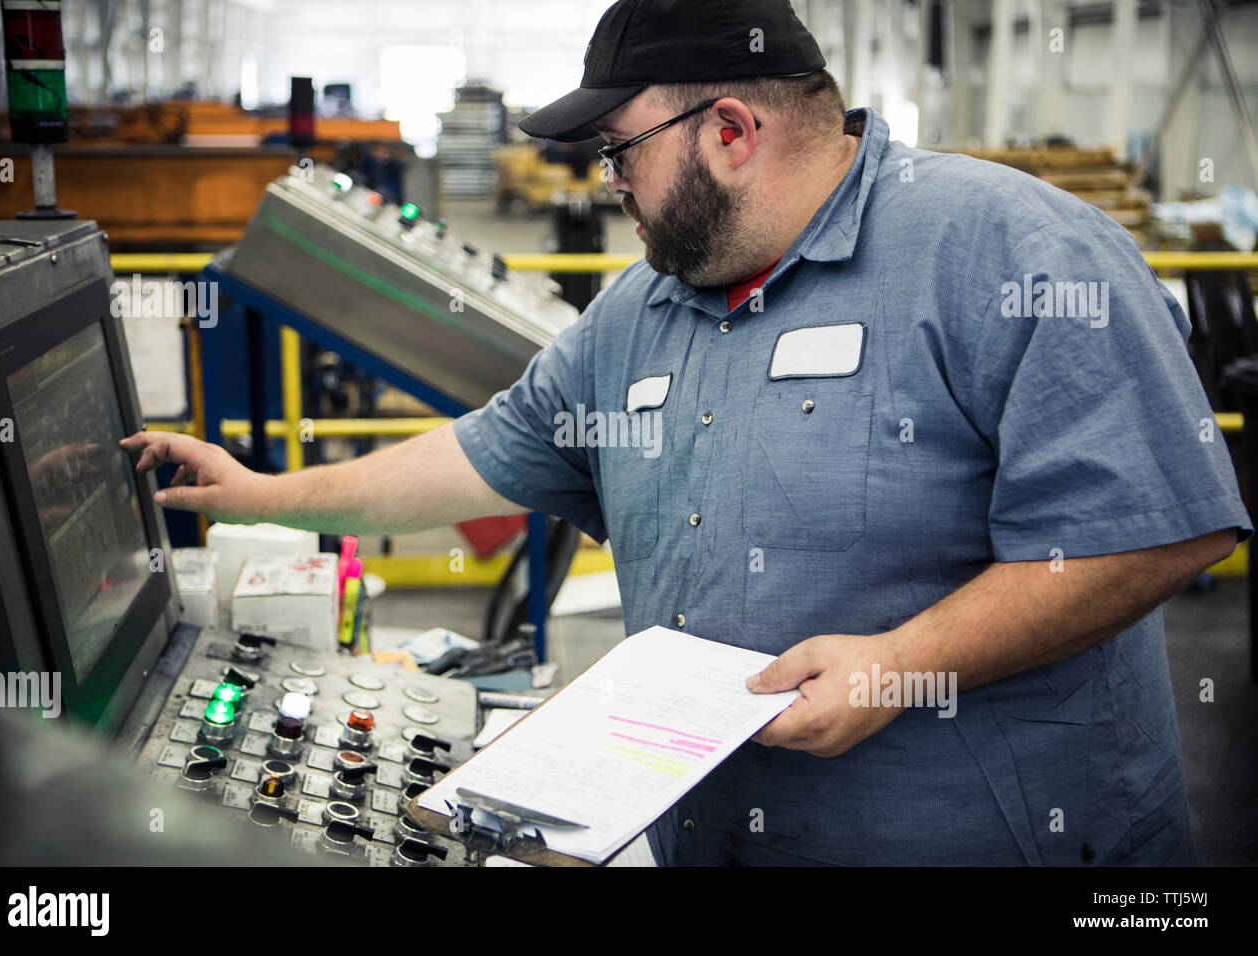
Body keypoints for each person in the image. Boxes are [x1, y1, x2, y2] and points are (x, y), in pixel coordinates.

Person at [122, 0, 1251, 865]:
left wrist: (901, 669)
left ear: (727, 129)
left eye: (618, 149)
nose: (606, 180)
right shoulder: (643, 307)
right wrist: (259, 491)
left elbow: (1157, 528)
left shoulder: (1008, 251)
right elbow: (481, 451)